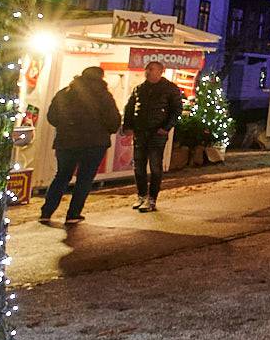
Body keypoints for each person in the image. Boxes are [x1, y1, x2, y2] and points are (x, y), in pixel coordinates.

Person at [38, 66, 122, 224]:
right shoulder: (104, 96)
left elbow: (52, 116)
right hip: (94, 144)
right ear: (101, 78)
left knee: (62, 176)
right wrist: (104, 130)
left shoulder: (65, 93)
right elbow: (113, 121)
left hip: (66, 142)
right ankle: (73, 214)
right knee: (85, 178)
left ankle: (47, 211)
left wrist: (65, 127)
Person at [122, 61, 184, 213]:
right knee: (139, 166)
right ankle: (142, 195)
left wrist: (166, 128)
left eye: (151, 69)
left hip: (157, 133)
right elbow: (129, 108)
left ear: (160, 71)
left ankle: (152, 199)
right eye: (147, 69)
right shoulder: (140, 89)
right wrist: (128, 126)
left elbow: (176, 110)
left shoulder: (170, 89)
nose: (147, 72)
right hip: (141, 132)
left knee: (155, 166)